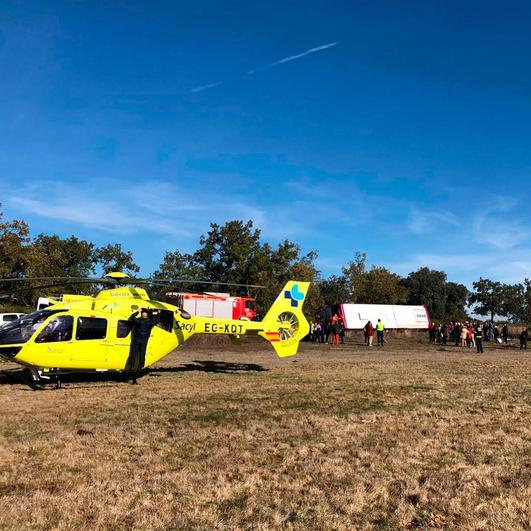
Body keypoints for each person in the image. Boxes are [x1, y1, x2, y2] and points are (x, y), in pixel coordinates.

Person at [126, 308, 160, 384]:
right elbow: (157, 320)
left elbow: (131, 317)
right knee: (142, 354)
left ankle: (131, 366)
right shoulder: (149, 323)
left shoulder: (138, 321)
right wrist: (158, 313)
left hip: (136, 341)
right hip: (143, 342)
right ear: (147, 316)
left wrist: (137, 312)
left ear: (141, 315)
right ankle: (140, 367)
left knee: (133, 354)